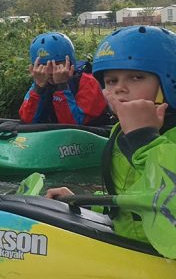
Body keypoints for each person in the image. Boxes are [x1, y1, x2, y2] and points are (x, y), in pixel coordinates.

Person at [46, 25, 176, 248]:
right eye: (111, 81)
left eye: (136, 77)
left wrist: (144, 139)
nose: (119, 89)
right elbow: (129, 198)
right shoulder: (121, 130)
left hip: (159, 255)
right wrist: (83, 200)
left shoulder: (156, 136)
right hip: (129, 245)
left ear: (170, 82)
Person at [19, 32, 107, 125]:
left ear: (71, 63)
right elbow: (27, 119)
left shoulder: (88, 83)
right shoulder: (40, 82)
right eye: (43, 65)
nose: (50, 71)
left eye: (57, 64)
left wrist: (61, 87)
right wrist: (38, 88)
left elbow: (73, 125)